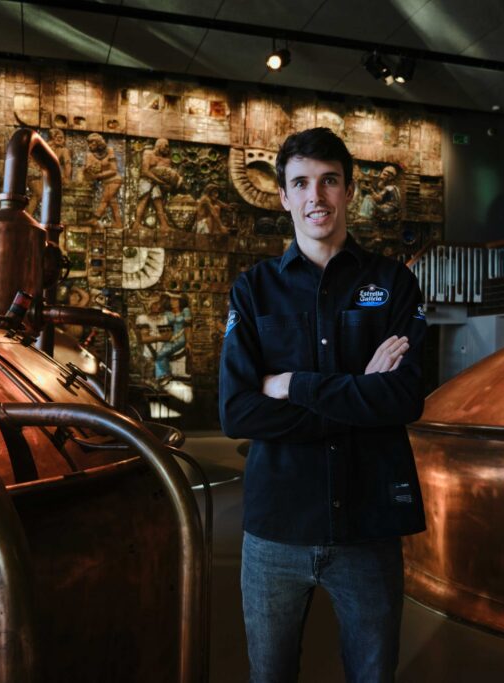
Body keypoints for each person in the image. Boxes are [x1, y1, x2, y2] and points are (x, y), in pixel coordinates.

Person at [219, 127, 427, 683]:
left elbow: (404, 398)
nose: (317, 196)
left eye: (330, 181)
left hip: (368, 527)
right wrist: (360, 392)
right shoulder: (253, 291)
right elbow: (238, 412)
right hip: (275, 531)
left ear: (349, 191)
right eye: (301, 183)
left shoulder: (393, 283)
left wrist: (292, 384)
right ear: (283, 196)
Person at [133, 138, 180, 230]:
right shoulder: (148, 153)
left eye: (168, 147)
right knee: (144, 200)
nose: (167, 149)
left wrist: (167, 183)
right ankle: (136, 224)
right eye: (166, 146)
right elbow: (145, 171)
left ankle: (163, 225)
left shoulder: (165, 160)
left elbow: (166, 174)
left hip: (156, 183)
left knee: (158, 203)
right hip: (146, 180)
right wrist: (158, 181)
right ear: (159, 145)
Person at [83, 133, 123, 227]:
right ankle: (118, 223)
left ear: (98, 143)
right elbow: (88, 170)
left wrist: (98, 176)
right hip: (106, 182)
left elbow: (114, 170)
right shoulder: (90, 155)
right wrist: (88, 171)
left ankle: (95, 219)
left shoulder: (109, 151)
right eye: (89, 143)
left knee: (105, 200)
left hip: (115, 180)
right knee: (113, 201)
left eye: (92, 143)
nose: (90, 146)